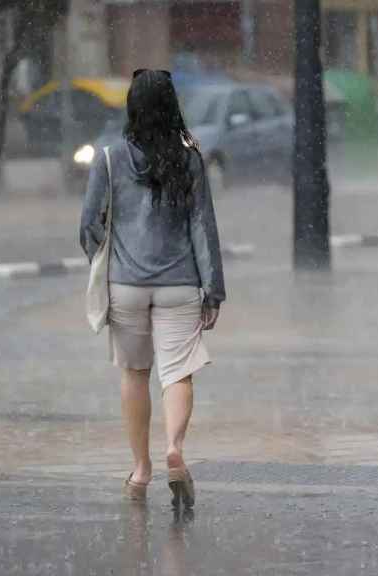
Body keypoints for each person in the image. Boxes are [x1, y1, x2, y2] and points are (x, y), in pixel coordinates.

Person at [80, 69, 225, 509]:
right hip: (181, 283)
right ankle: (174, 450)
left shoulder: (108, 159)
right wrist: (212, 287)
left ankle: (141, 470)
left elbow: (89, 225)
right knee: (177, 373)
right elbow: (202, 226)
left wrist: (106, 260)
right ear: (172, 106)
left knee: (134, 374)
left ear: (132, 107)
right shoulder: (190, 159)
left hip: (126, 284)